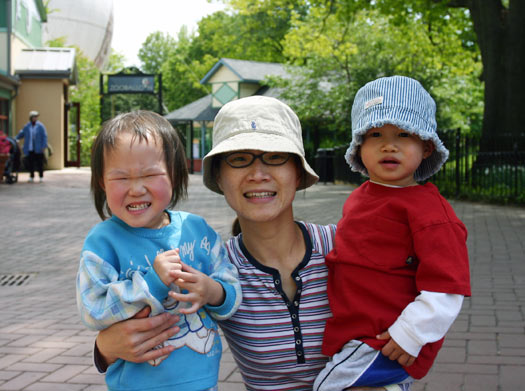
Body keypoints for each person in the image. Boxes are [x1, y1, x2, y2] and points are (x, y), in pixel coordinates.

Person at [93, 96, 339, 390]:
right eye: (239, 159)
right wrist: (104, 349)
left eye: (274, 155)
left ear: (298, 171)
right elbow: (152, 325)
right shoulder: (211, 265)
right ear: (219, 177)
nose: (258, 174)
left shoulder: (342, 245)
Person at [314, 76, 471, 391]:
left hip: (386, 338)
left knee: (327, 386)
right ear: (360, 147)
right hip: (355, 330)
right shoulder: (361, 196)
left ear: (426, 147)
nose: (389, 144)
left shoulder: (430, 213)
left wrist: (410, 333)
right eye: (375, 134)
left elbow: (447, 288)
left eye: (403, 134)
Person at [76, 110, 242, 391]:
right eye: (121, 178)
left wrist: (213, 291)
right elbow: (93, 308)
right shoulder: (103, 242)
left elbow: (232, 285)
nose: (136, 189)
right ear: (102, 182)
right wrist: (151, 283)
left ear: (174, 176)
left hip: (202, 382)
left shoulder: (196, 230)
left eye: (150, 174)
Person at [16, 110, 47, 183]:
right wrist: (15, 139)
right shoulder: (27, 126)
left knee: (40, 163)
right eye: (34, 117)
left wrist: (43, 146)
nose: (35, 118)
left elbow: (44, 136)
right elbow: (21, 134)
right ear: (31, 117)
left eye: (36, 117)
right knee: (30, 163)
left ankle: (41, 176)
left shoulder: (40, 126)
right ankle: (31, 176)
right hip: (30, 148)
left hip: (39, 148)